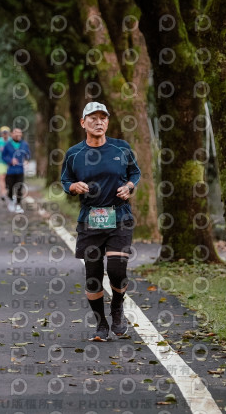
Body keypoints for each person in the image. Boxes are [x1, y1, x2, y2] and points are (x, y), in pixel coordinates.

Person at [61, 102, 140, 342]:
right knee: (93, 276)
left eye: (103, 118)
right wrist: (74, 187)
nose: (98, 122)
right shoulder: (74, 154)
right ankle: (101, 323)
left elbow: (134, 173)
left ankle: (117, 307)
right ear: (83, 123)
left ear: (108, 122)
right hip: (90, 220)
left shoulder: (121, 148)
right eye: (93, 118)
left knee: (117, 270)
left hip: (120, 217)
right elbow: (66, 180)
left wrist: (128, 187)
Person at [1, 127, 31, 214]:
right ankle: (10, 200)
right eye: (16, 132)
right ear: (12, 134)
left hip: (20, 171)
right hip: (10, 170)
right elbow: (3, 156)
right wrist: (10, 160)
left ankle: (18, 205)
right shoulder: (7, 144)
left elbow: (28, 154)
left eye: (20, 133)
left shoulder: (24, 144)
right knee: (10, 187)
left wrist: (26, 160)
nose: (18, 134)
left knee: (19, 188)